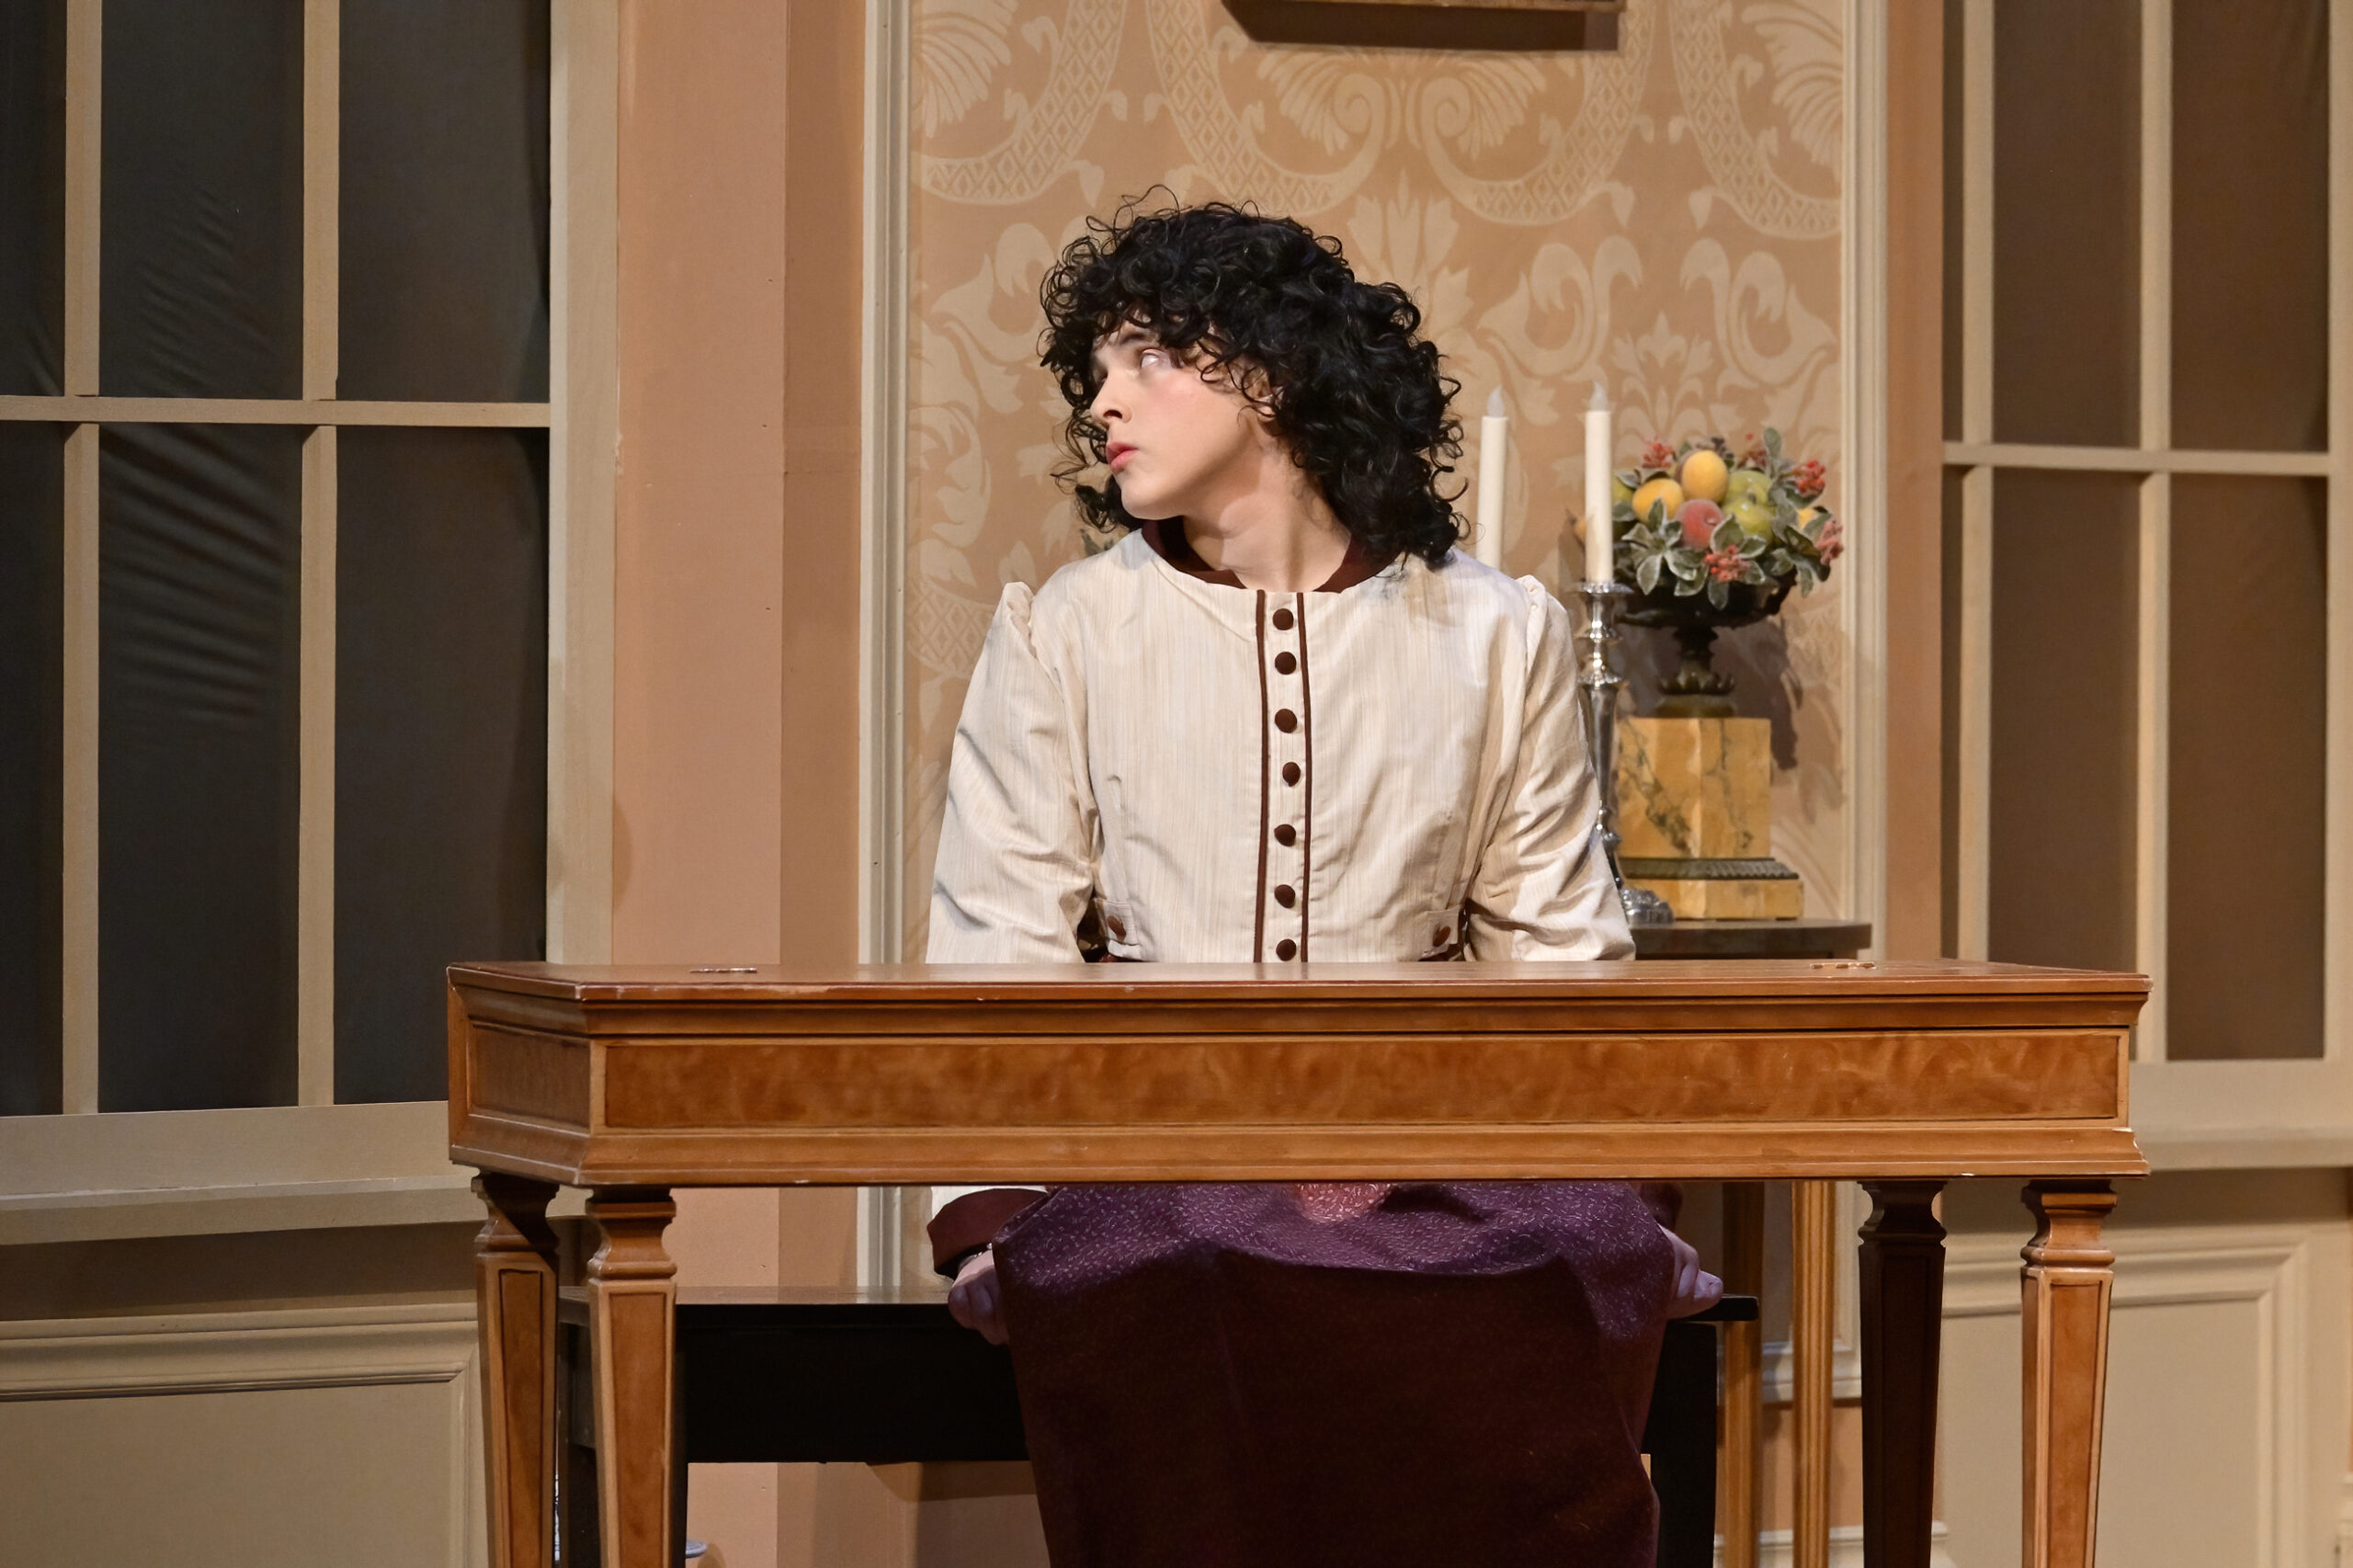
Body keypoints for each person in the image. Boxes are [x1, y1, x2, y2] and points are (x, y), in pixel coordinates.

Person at [925, 201, 1722, 1568]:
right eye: (1095, 372)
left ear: (1269, 374)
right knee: (1186, 1267)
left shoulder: (1493, 631)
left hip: (1434, 1156)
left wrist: (1620, 1193)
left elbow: (1555, 950)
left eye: (1145, 359)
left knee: (1563, 1255)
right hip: (1161, 1154)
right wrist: (990, 1212)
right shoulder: (1068, 632)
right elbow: (998, 943)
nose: (1103, 403)